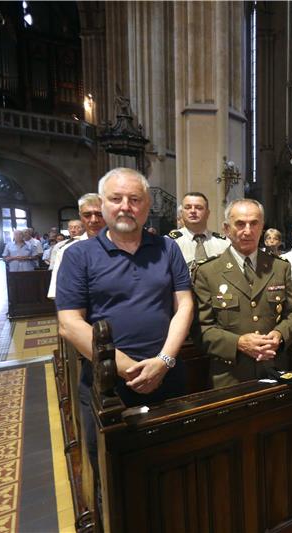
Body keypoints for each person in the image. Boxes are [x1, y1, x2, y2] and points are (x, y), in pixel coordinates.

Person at [56, 167, 193, 472]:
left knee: (174, 460)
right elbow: (69, 324)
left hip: (167, 374)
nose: (125, 206)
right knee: (114, 471)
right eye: (116, 198)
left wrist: (164, 361)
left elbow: (184, 305)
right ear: (103, 204)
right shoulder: (79, 256)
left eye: (135, 199)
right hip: (108, 384)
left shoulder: (167, 248)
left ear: (147, 206)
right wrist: (130, 369)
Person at [193, 199, 292, 388]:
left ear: (262, 228)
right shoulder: (207, 272)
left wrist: (279, 334)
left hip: (274, 368)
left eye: (254, 223)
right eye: (240, 224)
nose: (248, 231)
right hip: (230, 375)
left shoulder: (280, 267)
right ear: (227, 229)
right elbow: (201, 329)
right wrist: (238, 343)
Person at [47, 194, 106, 298]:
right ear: (81, 217)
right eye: (87, 215)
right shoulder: (67, 250)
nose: (94, 220)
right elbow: (58, 293)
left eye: (99, 214)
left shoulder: (123, 245)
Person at [168, 192, 229, 268]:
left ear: (207, 213)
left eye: (199, 207)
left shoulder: (224, 243)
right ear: (181, 213)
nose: (193, 211)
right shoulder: (169, 243)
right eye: (188, 207)